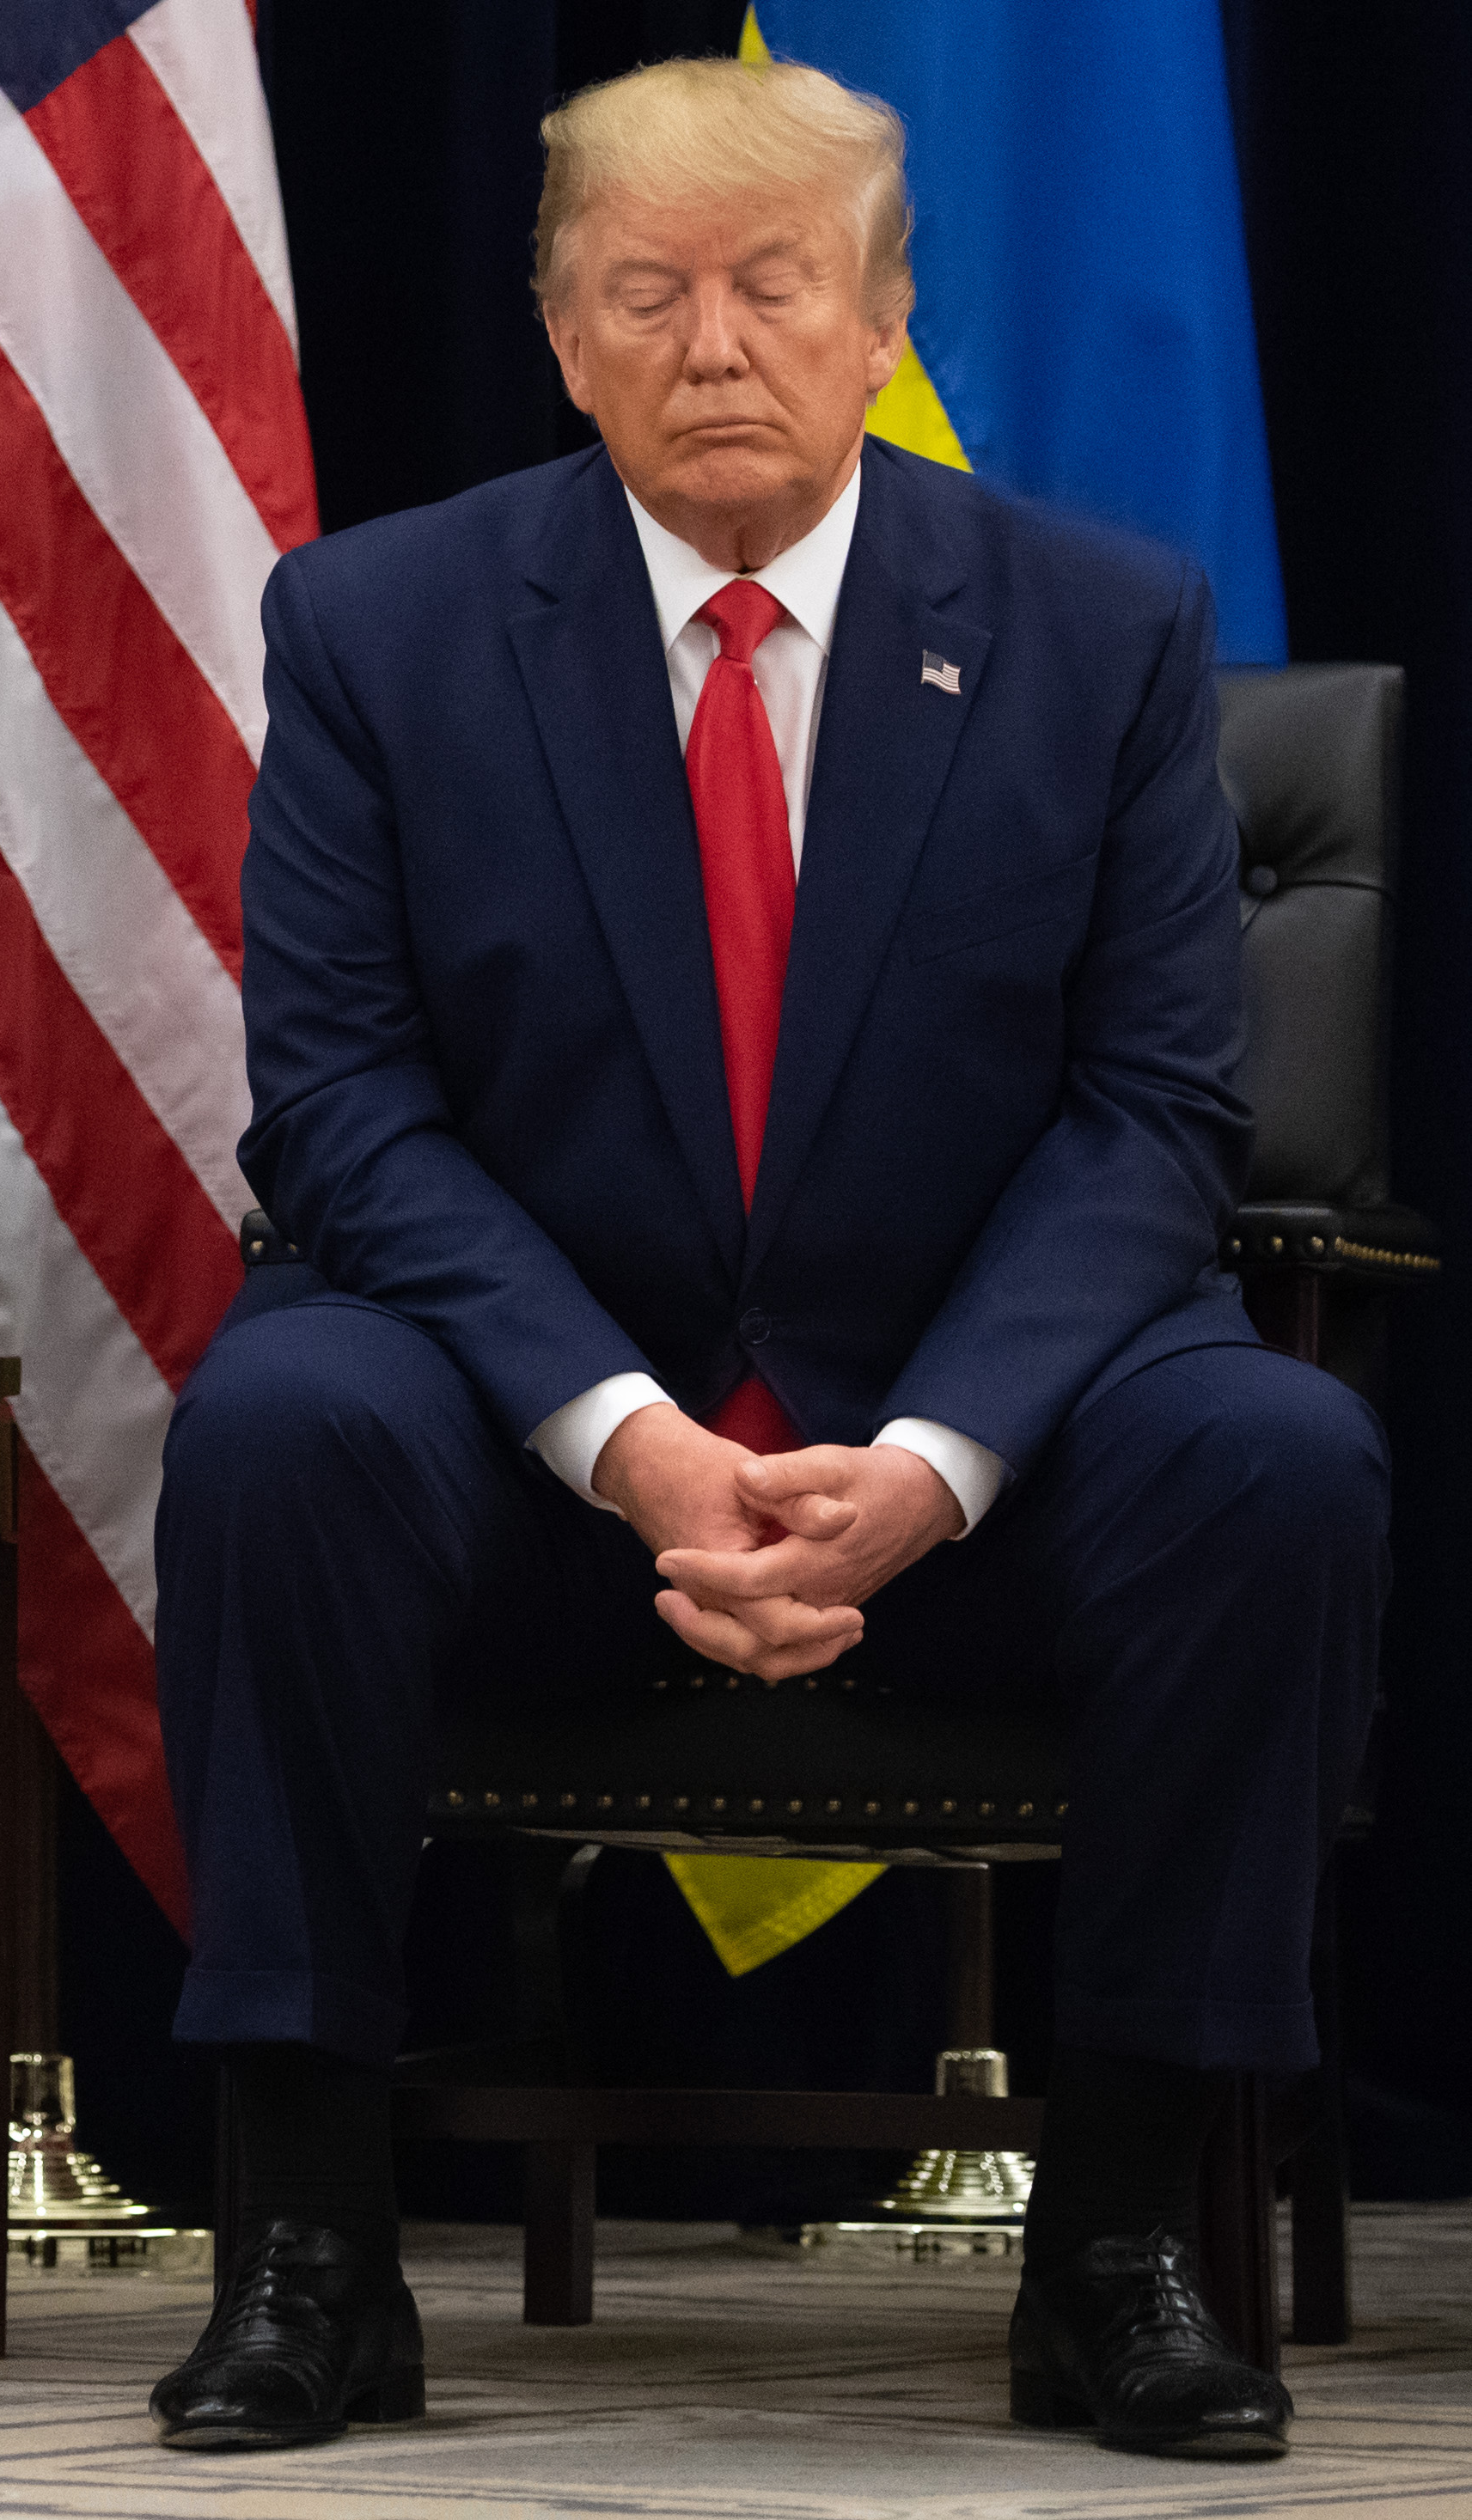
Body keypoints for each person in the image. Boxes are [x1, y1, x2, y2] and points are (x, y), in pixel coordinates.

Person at [146, 58, 1380, 2463]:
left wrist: (927, 1461)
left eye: (770, 286)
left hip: (967, 1468)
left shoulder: (1098, 628)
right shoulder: (379, 625)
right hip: (529, 1462)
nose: (711, 344)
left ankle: (1119, 2245)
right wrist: (623, 1442)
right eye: (645, 291)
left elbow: (1149, 1116)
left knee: (1274, 1458)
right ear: (558, 332)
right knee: (278, 1425)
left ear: (878, 319)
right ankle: (305, 2244)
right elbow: (343, 1108)